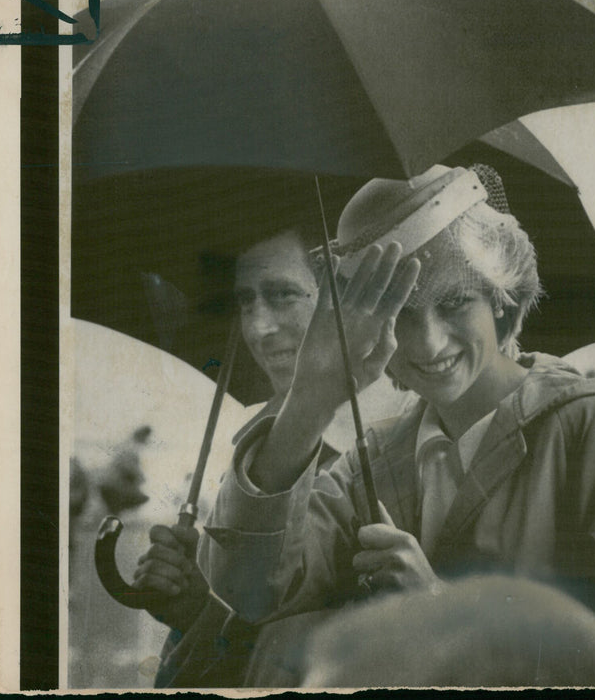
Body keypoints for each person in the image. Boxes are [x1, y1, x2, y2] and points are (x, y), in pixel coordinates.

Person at [173, 164, 595, 687]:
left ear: (502, 298)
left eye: (454, 303)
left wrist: (447, 615)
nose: (428, 343)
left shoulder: (589, 427)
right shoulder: (377, 456)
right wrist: (312, 397)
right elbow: (251, 589)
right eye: (401, 313)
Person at [132, 223, 414, 687]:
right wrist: (197, 609)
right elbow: (246, 640)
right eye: (246, 301)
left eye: (282, 295)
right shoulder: (253, 446)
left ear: (340, 303)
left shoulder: (406, 433)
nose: (259, 328)